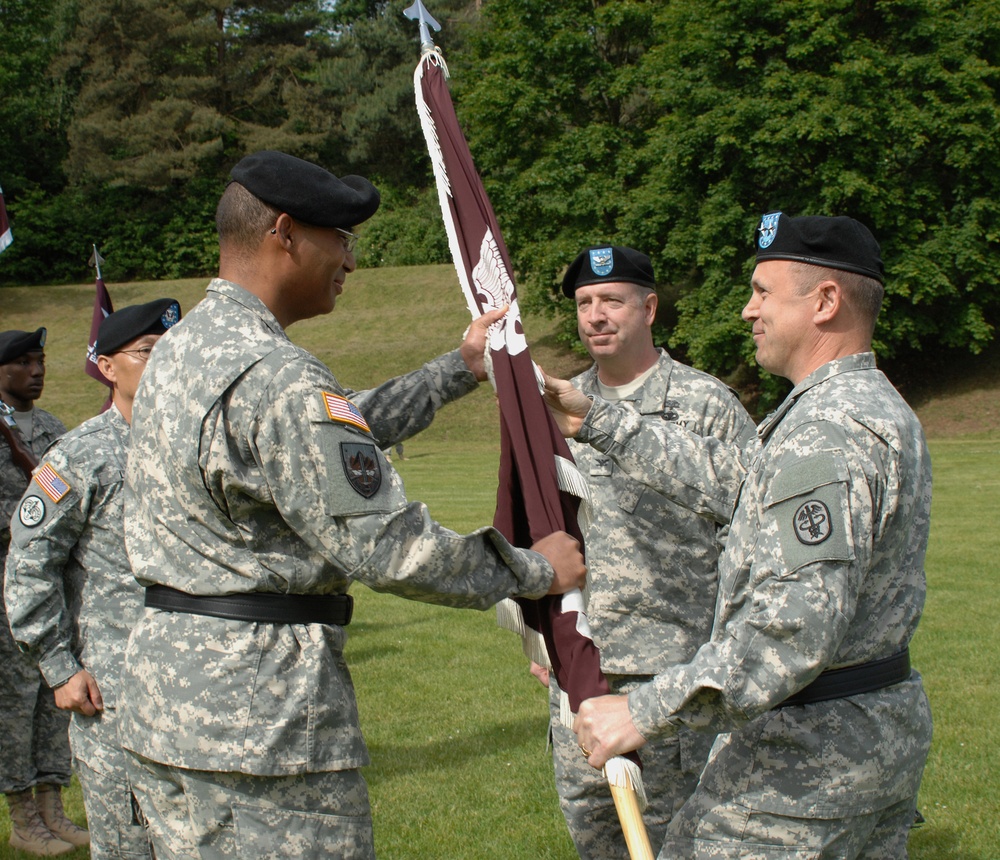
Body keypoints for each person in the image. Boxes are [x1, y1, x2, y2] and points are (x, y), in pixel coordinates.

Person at [119, 150, 587, 859]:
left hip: (168, 707)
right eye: (340, 236)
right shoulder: (275, 376)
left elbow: (316, 446)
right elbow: (388, 546)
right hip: (262, 725)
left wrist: (455, 371)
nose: (351, 260)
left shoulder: (183, 351)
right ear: (284, 232)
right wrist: (531, 570)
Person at [546, 213, 932, 858]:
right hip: (869, 732)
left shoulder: (825, 433)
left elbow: (789, 631)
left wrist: (643, 709)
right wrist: (599, 421)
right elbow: (729, 480)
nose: (748, 311)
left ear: (826, 301)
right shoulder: (870, 407)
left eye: (763, 292)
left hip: (806, 756)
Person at [535, 245, 753, 857]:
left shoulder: (705, 405)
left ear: (649, 308)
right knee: (596, 839)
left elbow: (749, 525)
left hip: (674, 671)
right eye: (584, 303)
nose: (596, 316)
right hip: (581, 665)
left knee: (678, 841)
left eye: (612, 300)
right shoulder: (552, 407)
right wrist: (539, 636)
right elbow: (539, 526)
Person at [5, 300, 181, 859]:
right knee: (130, 842)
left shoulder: (197, 446)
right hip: (114, 690)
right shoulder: (79, 456)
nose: (166, 365)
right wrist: (58, 666)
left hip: (200, 682)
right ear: (107, 367)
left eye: (174, 353)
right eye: (148, 353)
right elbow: (30, 564)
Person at [0, 328, 86, 856]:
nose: (37, 371)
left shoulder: (54, 429)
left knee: (56, 686)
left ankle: (53, 804)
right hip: (8, 577)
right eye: (24, 363)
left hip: (55, 580)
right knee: (14, 696)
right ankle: (21, 813)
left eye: (41, 361)